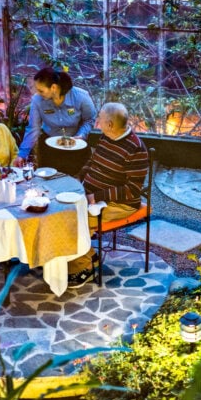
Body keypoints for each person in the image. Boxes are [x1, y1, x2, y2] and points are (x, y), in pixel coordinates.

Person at [67, 102, 149, 287]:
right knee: (60, 210)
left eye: (100, 119)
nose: (97, 122)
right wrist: (79, 177)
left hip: (120, 204)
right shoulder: (106, 136)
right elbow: (93, 162)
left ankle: (85, 267)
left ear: (110, 124)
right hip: (90, 194)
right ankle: (88, 255)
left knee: (74, 220)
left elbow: (132, 190)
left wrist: (96, 197)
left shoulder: (136, 149)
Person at [12, 68, 96, 175]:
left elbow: (90, 119)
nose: (37, 93)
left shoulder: (81, 97)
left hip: (75, 145)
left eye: (41, 91)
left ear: (53, 87)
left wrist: (81, 135)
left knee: (74, 179)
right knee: (49, 180)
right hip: (50, 147)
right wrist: (22, 154)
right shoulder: (37, 101)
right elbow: (33, 129)